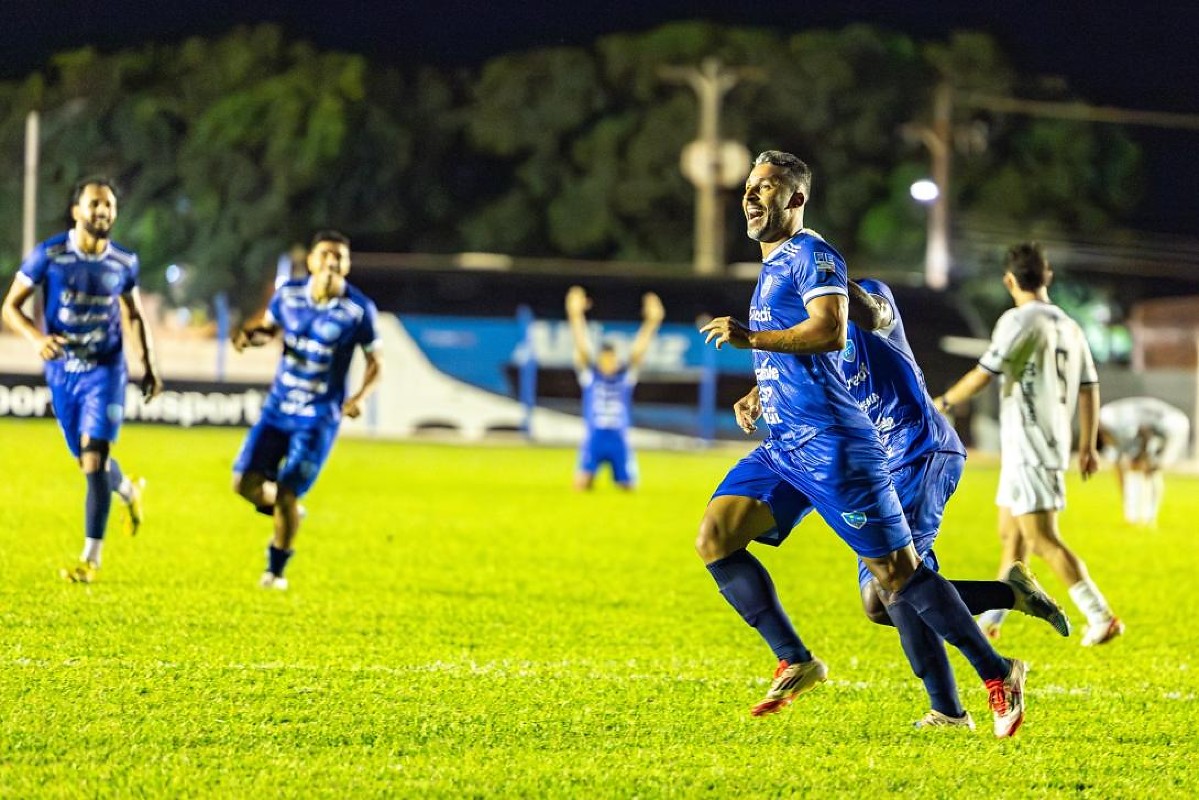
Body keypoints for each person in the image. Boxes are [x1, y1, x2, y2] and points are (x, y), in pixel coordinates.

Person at [696, 150, 1027, 738]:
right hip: (784, 445)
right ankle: (796, 659)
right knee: (716, 538)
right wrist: (760, 391)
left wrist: (752, 338)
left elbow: (829, 329)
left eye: (766, 187)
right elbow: (797, 347)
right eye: (749, 186)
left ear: (794, 200)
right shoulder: (772, 265)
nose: (751, 196)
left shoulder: (811, 255)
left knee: (897, 580)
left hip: (833, 445)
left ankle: (998, 671)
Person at [935, 242, 1123, 647]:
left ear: (1009, 280)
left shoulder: (1018, 320)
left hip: (1030, 445)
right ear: (1047, 276)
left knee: (1041, 537)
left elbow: (985, 372)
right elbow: (1089, 388)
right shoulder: (1069, 325)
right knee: (1012, 536)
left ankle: (1099, 614)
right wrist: (1087, 445)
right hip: (1041, 443)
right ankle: (993, 620)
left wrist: (944, 402)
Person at [1, 177, 161, 583]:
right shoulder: (50, 255)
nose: (102, 211)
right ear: (77, 211)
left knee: (94, 460)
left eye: (108, 205)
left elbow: (135, 315)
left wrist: (149, 366)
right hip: (63, 373)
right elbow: (10, 307)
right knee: (86, 461)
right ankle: (128, 490)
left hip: (105, 371)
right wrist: (36, 338)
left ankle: (91, 560)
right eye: (94, 204)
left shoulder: (124, 262)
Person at [231, 230, 383, 590]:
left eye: (340, 257)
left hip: (317, 418)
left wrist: (359, 398)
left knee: (286, 490)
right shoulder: (289, 295)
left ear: (347, 265)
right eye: (326, 254)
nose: (332, 261)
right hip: (278, 409)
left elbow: (376, 363)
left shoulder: (358, 310)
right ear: (312, 261)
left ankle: (275, 572)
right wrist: (250, 336)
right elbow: (269, 330)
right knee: (243, 483)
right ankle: (289, 513)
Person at [564, 286, 664, 490]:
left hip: (619, 440)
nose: (610, 362)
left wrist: (652, 322)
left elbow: (638, 351)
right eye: (606, 358)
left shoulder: (624, 376)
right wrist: (575, 315)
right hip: (594, 439)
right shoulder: (590, 375)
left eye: (612, 358)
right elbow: (582, 348)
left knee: (628, 488)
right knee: (581, 485)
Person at [1097, 396, 1190, 526]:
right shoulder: (1108, 422)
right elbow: (1117, 462)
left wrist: (1144, 455)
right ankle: (1134, 515)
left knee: (1153, 469)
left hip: (1171, 427)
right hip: (1153, 427)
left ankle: (1149, 517)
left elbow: (1144, 429)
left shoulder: (1113, 422)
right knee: (1134, 465)